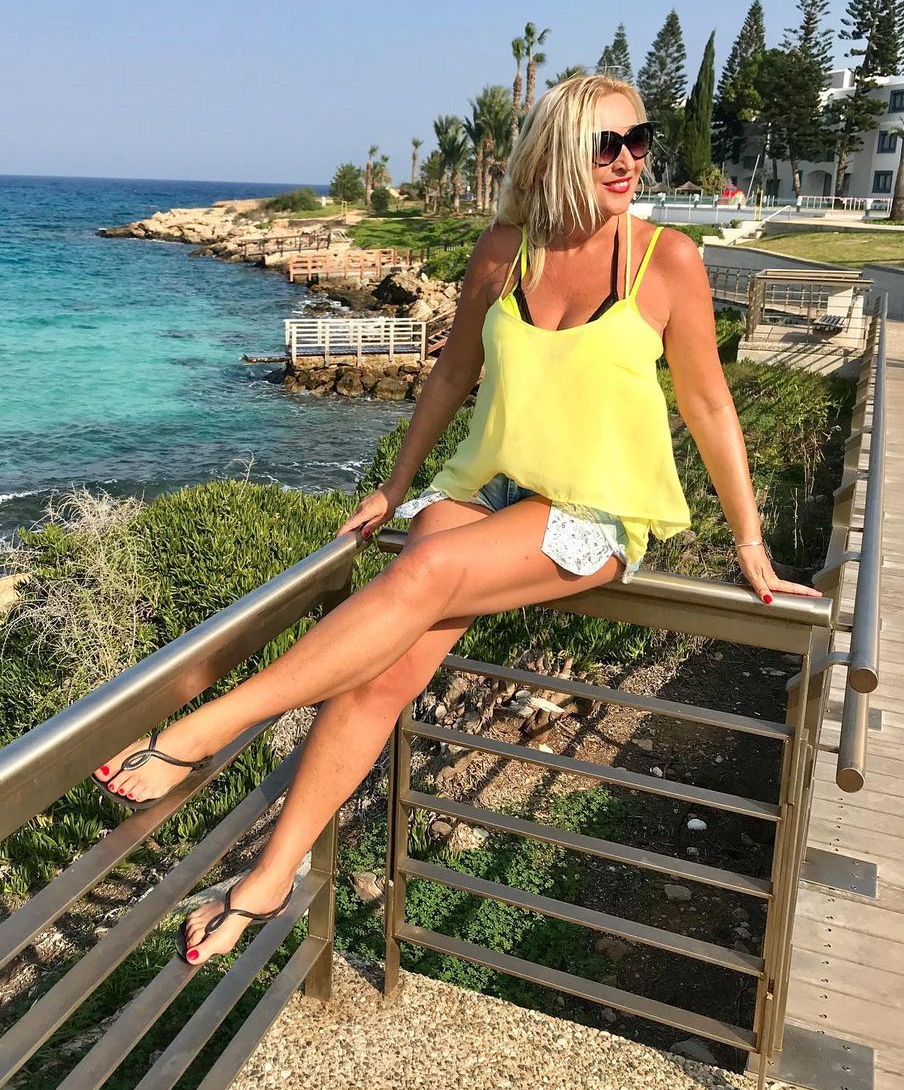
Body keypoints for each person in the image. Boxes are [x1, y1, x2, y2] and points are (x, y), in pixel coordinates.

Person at [92, 74, 822, 965]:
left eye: (639, 140)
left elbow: (709, 405)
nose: (628, 160)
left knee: (425, 573)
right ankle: (270, 878)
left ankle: (205, 730)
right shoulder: (505, 250)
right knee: (381, 680)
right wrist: (395, 487)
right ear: (557, 153)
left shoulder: (665, 260)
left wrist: (750, 541)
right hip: (486, 486)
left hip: (592, 511)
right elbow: (450, 375)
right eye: (606, 144)